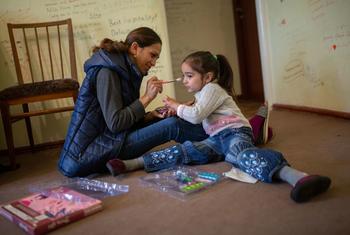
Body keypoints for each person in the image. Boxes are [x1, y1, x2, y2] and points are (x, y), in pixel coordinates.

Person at [106, 51, 331, 203]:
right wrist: (177, 109)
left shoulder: (213, 89)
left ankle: (298, 177)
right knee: (186, 150)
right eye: (183, 75)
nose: (184, 80)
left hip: (234, 132)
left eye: (189, 76)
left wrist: (176, 105)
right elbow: (196, 113)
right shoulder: (205, 92)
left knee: (241, 156)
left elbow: (195, 117)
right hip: (215, 138)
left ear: (208, 77)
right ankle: (132, 163)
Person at [58, 27, 209, 177]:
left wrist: (150, 116)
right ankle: (218, 136)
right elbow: (116, 123)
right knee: (173, 126)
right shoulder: (107, 72)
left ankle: (213, 130)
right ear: (135, 48)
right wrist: (147, 97)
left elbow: (122, 120)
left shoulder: (124, 69)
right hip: (84, 156)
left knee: (171, 118)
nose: (154, 62)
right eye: (152, 55)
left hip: (111, 139)